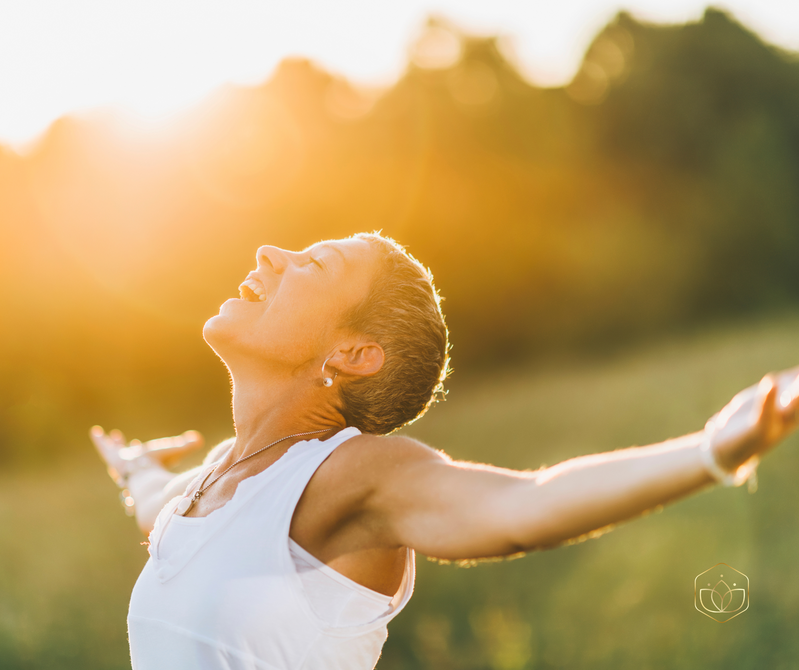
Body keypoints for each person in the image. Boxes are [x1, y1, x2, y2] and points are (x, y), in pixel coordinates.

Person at [92, 231, 799, 670]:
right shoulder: (217, 477)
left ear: (353, 352)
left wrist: (711, 450)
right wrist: (135, 468)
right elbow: (160, 512)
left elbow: (524, 507)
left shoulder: (349, 474)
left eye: (313, 263)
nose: (269, 254)